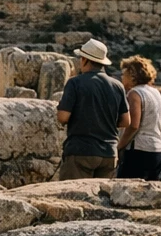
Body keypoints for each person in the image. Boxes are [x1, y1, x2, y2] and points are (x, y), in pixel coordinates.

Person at [55, 38, 129, 180]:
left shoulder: (75, 83)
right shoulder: (117, 85)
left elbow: (63, 117)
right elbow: (126, 121)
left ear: (84, 59)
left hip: (81, 151)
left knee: (73, 198)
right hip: (109, 154)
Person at [117, 55, 161, 180]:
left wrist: (120, 146)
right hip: (159, 149)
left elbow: (134, 125)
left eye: (124, 74)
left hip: (141, 150)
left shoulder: (135, 94)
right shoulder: (154, 92)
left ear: (132, 76)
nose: (121, 77)